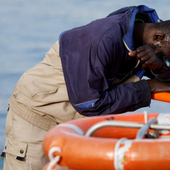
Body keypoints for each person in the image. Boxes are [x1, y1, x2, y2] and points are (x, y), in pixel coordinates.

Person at [2, 4, 170, 170]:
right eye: (164, 55)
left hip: (73, 124)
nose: (162, 58)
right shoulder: (101, 41)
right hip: (38, 117)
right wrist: (150, 87)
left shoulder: (147, 34)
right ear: (158, 38)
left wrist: (159, 68)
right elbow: (90, 104)